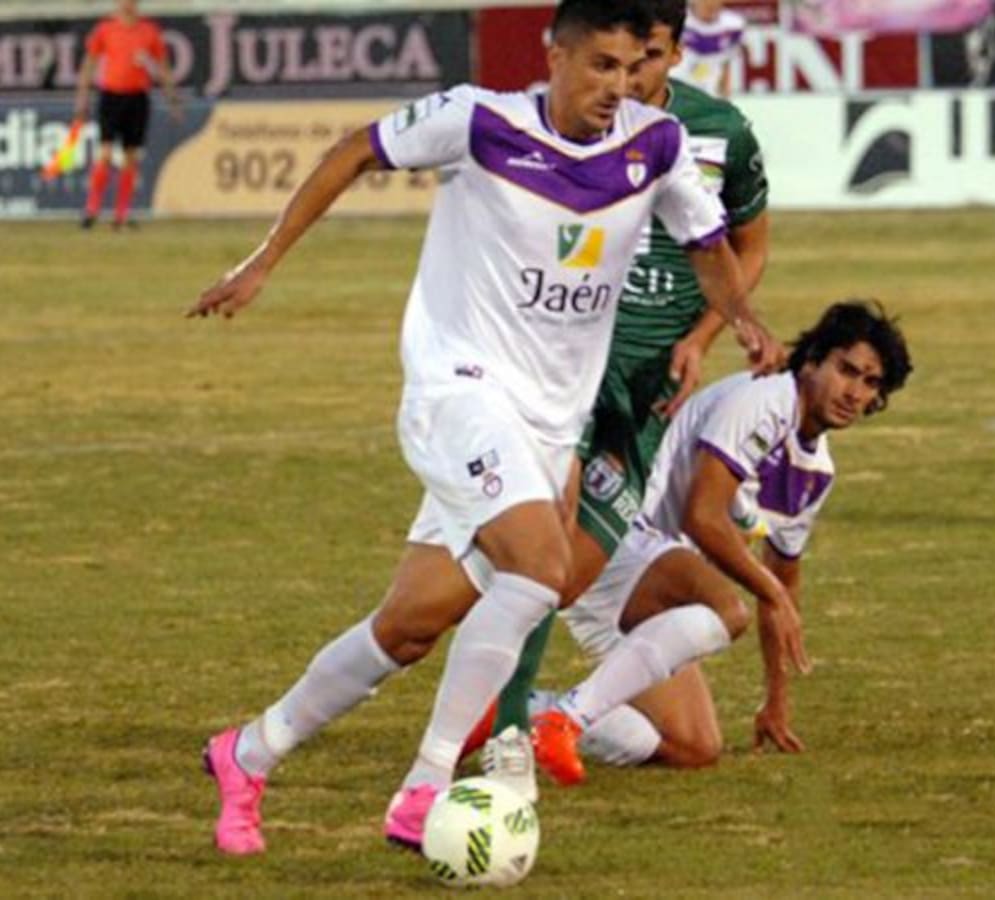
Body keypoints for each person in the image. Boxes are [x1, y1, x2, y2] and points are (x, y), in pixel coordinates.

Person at [189, 0, 778, 857]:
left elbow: (707, 244)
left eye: (633, 67)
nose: (619, 86)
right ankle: (427, 786)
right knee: (540, 566)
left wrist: (743, 321)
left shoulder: (656, 144)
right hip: (458, 391)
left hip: (548, 424)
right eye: (601, 65)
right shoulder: (479, 122)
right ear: (555, 56)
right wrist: (262, 261)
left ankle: (248, 752)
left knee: (409, 627)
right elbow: (356, 149)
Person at [469, 0, 770, 774]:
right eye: (619, 60)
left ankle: (522, 705)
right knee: (548, 548)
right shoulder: (568, 122)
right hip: (568, 367)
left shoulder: (718, 132)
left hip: (647, 389)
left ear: (675, 53)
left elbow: (749, 247)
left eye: (649, 58)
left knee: (568, 586)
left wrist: (703, 338)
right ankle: (506, 732)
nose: (630, 77)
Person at [529, 301, 913, 782]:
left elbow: (783, 584)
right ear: (812, 360)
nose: (854, 393)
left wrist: (775, 701)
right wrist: (771, 592)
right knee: (726, 609)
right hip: (617, 536)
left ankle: (520, 713)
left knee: (693, 746)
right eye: (846, 370)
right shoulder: (767, 398)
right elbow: (704, 517)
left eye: (871, 383)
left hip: (651, 578)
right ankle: (565, 719)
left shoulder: (816, 472)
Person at [74, 0, 180, 229]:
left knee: (130, 157)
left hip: (137, 98)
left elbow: (163, 67)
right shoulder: (105, 30)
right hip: (111, 96)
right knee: (104, 153)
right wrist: (82, 98)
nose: (127, 4)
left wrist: (172, 98)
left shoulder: (149, 31)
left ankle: (121, 214)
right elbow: (89, 65)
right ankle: (92, 210)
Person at [671, 0, 747, 98]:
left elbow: (728, 63)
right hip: (677, 85)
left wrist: (725, 97)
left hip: (710, 89)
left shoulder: (733, 26)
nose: (710, 4)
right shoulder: (676, 22)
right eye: (705, 1)